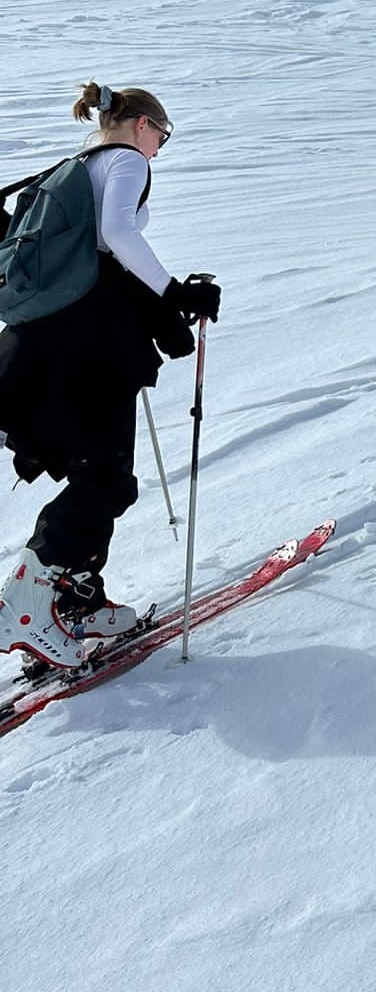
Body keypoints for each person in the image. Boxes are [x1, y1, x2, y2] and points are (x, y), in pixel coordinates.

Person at [0, 83, 221, 670]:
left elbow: (106, 254)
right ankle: (25, 601)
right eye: (162, 137)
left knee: (100, 469)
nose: (158, 150)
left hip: (57, 340)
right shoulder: (124, 161)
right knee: (106, 477)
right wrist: (176, 293)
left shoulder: (79, 164)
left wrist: (160, 306)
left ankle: (75, 600)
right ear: (142, 124)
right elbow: (120, 235)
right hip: (89, 345)